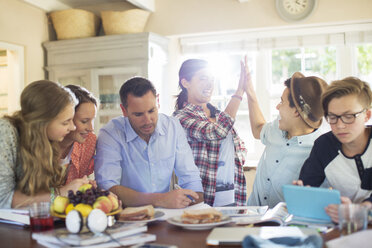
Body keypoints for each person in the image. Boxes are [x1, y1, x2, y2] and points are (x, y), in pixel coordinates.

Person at [94, 77, 204, 209]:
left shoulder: (173, 126)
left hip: (166, 213)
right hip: (128, 215)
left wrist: (196, 208)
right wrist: (161, 200)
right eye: (138, 114)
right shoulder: (111, 133)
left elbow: (190, 177)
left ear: (157, 101)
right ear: (124, 111)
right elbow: (108, 187)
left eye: (151, 111)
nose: (147, 121)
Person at [0, 80, 90, 208]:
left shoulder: (46, 140)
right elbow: (3, 199)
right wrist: (61, 193)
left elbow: (40, 194)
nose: (73, 127)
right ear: (43, 122)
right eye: (66, 122)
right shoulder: (5, 131)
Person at [294, 77, 372, 222]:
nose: (340, 125)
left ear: (367, 115)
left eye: (349, 116)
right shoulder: (324, 146)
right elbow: (307, 185)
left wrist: (360, 211)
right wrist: (302, 192)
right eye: (333, 117)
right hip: (343, 228)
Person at [173, 58, 248, 206]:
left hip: (234, 198)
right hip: (203, 201)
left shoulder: (220, 115)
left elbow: (241, 149)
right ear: (185, 82)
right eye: (203, 78)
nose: (210, 84)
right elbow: (215, 132)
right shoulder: (180, 118)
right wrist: (239, 91)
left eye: (212, 79)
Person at [246, 72, 328, 208]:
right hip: (253, 217)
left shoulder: (317, 152)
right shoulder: (277, 127)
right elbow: (258, 129)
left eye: (282, 102)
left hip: (284, 226)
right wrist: (249, 91)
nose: (277, 107)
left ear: (296, 111)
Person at [59, 85, 98, 185]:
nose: (91, 128)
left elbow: (77, 183)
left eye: (92, 120)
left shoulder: (89, 142)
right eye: (84, 121)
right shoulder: (42, 144)